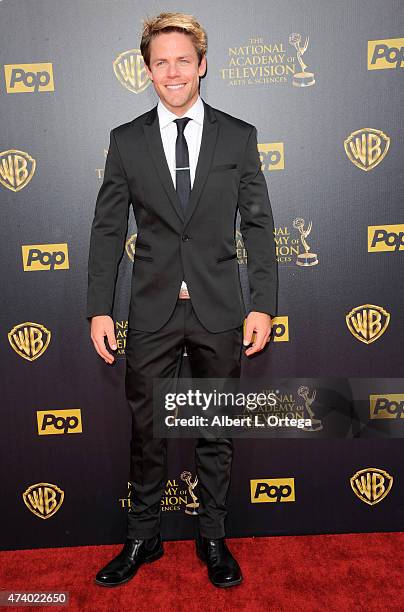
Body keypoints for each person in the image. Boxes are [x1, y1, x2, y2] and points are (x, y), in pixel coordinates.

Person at [87, 12, 278, 588]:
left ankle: (212, 537)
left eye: (183, 60)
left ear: (202, 65)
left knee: (215, 430)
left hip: (220, 310)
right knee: (147, 432)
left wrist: (262, 303)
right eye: (160, 62)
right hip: (150, 312)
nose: (173, 72)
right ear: (147, 71)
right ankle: (142, 538)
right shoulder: (125, 141)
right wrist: (99, 307)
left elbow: (260, 226)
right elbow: (104, 231)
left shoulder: (239, 136)